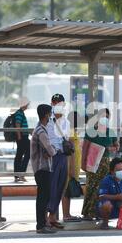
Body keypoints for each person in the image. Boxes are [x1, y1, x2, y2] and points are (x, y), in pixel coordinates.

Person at [81, 109, 119, 220]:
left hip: (105, 163)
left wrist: (110, 148)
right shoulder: (91, 131)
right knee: (91, 187)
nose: (105, 119)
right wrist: (83, 163)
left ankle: (98, 212)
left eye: (107, 116)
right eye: (103, 116)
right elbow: (85, 148)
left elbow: (117, 146)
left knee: (102, 187)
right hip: (93, 162)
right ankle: (87, 212)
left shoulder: (110, 132)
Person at [31, 104, 57, 234]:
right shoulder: (41, 131)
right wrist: (53, 150)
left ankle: (42, 224)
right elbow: (50, 150)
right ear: (46, 114)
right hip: (42, 168)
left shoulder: (40, 129)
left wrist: (51, 150)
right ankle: (41, 225)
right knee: (43, 198)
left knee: (44, 197)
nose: (51, 116)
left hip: (43, 168)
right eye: (50, 113)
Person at [46, 94, 71, 228]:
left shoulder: (66, 122)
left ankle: (53, 217)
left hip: (63, 156)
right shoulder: (47, 120)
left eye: (60, 103)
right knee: (50, 187)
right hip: (51, 157)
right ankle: (45, 218)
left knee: (60, 186)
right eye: (55, 103)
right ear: (52, 104)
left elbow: (67, 139)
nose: (57, 106)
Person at [61, 111, 84, 222]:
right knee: (66, 189)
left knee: (68, 189)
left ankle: (67, 213)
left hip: (75, 164)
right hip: (71, 164)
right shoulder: (69, 132)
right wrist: (71, 168)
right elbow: (70, 151)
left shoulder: (73, 131)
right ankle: (66, 214)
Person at [14, 97, 31, 183]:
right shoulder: (19, 113)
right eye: (27, 104)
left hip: (23, 137)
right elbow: (17, 125)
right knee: (27, 153)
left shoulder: (20, 113)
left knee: (19, 155)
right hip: (22, 137)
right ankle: (20, 174)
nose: (28, 105)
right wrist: (19, 136)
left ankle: (18, 175)